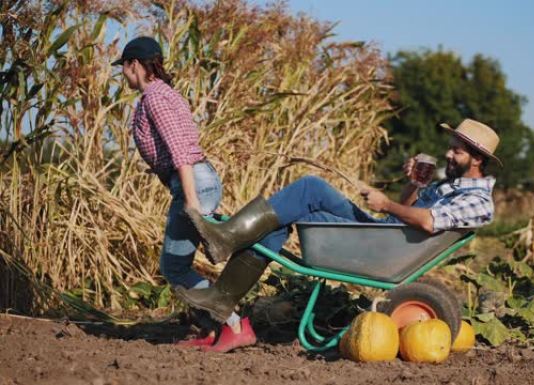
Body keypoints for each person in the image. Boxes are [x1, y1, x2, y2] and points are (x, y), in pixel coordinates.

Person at [177, 118, 501, 352]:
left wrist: (385, 202)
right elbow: (407, 210)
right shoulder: (452, 186)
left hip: (385, 245)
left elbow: (428, 223)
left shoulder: (477, 200)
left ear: (477, 159)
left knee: (310, 187)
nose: (448, 155)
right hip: (389, 238)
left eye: (457, 152)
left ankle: (226, 241)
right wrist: (415, 184)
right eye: (451, 149)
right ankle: (224, 294)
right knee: (281, 218)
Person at [112, 37, 227, 345]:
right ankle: (213, 328)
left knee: (173, 266)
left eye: (122, 67)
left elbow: (180, 152)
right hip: (199, 181)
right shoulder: (166, 94)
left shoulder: (154, 98)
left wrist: (191, 204)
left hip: (193, 184)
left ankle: (232, 322)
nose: (122, 75)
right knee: (178, 265)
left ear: (134, 65)